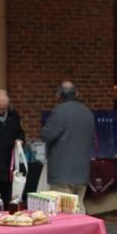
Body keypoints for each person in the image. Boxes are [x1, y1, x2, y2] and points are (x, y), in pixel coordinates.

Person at [41, 81, 94, 213]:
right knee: (79, 206)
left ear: (58, 95)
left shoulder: (59, 112)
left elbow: (47, 135)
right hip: (82, 170)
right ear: (76, 93)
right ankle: (83, 233)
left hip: (62, 171)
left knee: (63, 211)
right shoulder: (87, 112)